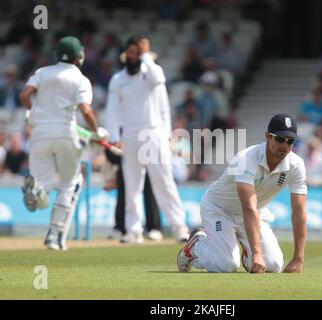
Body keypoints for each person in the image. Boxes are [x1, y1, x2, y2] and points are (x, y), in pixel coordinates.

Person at [177, 114, 307, 274]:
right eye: (280, 139)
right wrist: (258, 254)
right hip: (220, 210)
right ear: (267, 136)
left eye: (290, 141)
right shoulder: (245, 159)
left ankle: (248, 255)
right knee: (227, 265)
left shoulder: (296, 165)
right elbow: (248, 207)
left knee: (273, 265)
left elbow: (299, 211)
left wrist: (297, 258)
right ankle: (197, 244)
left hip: (255, 213)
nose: (285, 145)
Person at [19, 36, 109, 251]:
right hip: (65, 132)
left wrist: (31, 112)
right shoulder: (80, 79)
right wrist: (96, 132)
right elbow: (85, 110)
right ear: (80, 56)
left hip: (39, 133)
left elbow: (25, 94)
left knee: (45, 183)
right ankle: (54, 235)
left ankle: (39, 192)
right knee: (71, 183)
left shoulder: (42, 72)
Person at [105, 35, 190, 243]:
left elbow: (160, 81)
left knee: (164, 182)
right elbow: (112, 111)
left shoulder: (151, 73)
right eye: (131, 53)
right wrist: (115, 136)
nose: (134, 57)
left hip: (154, 132)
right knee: (132, 185)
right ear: (126, 54)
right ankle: (133, 230)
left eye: (138, 52)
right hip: (131, 134)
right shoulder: (118, 79)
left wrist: (146, 56)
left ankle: (179, 228)